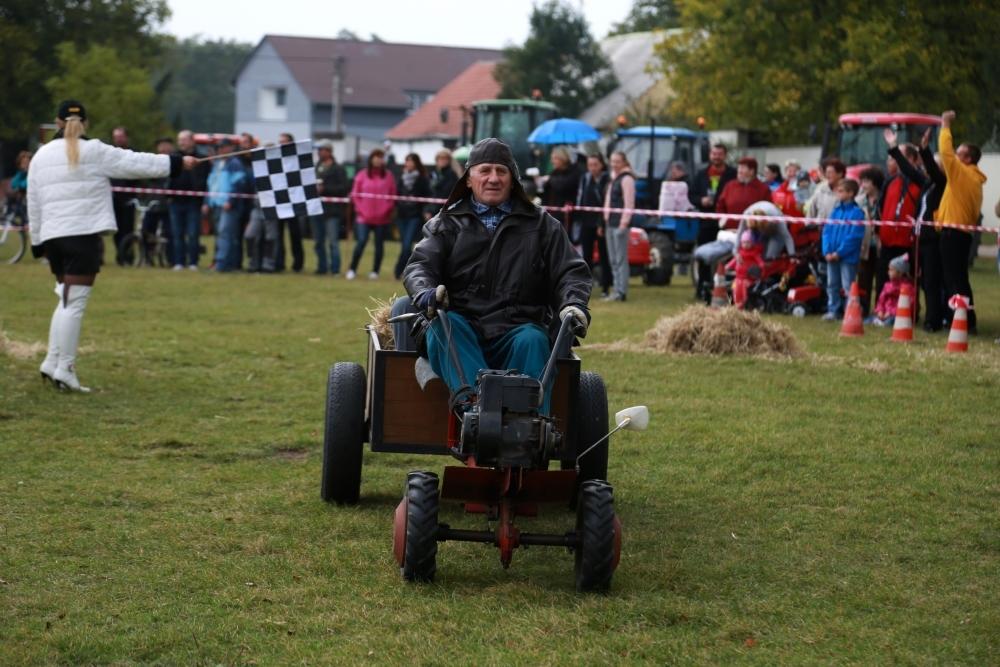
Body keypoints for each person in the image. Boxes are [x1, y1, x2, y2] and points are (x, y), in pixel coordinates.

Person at [401, 138, 591, 415]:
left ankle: (528, 422)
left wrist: (573, 303)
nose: (493, 178)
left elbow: (571, 271)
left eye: (502, 171)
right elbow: (420, 266)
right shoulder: (444, 224)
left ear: (513, 180)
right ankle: (474, 409)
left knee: (534, 340)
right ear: (468, 179)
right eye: (485, 170)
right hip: (462, 327)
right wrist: (426, 292)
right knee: (444, 325)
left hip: (517, 328)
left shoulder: (543, 225)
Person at [27, 100, 196, 392]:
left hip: (53, 238)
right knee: (73, 303)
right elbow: (135, 162)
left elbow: (33, 201)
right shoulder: (94, 150)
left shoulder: (40, 155)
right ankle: (65, 368)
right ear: (85, 123)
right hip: (81, 236)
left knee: (65, 299)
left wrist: (36, 242)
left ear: (57, 122)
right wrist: (177, 163)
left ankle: (52, 361)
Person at [934, 110, 986, 334]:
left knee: (953, 279)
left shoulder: (962, 174)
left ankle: (961, 320)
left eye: (959, 153)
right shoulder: (972, 178)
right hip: (959, 233)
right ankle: (966, 320)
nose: (955, 155)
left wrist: (945, 125)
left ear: (967, 159)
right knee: (960, 278)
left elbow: (945, 152)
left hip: (953, 233)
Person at [347, 148, 397, 280]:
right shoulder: (361, 175)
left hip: (382, 218)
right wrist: (361, 210)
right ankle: (352, 269)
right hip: (363, 217)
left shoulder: (389, 176)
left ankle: (375, 271)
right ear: (371, 159)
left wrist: (386, 209)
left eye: (381, 157)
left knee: (379, 245)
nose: (378, 160)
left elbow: (392, 195)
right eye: (376, 157)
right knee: (361, 242)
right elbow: (355, 195)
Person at [821, 178, 866, 320]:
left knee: (848, 286)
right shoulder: (835, 211)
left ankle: (850, 312)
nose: (838, 193)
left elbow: (854, 237)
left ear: (851, 193)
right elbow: (826, 232)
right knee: (832, 284)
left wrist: (839, 253)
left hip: (847, 257)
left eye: (841, 191)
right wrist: (827, 251)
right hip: (831, 255)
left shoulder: (857, 213)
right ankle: (833, 310)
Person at [205, 138, 248, 272]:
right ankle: (227, 263)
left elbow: (239, 183)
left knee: (225, 234)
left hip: (228, 205)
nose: (220, 150)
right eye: (219, 148)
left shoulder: (235, 163)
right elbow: (211, 183)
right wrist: (207, 201)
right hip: (216, 204)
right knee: (222, 235)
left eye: (223, 147)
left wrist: (230, 201)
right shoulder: (217, 163)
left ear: (231, 148)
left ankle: (222, 264)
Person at [577, 153, 612, 297]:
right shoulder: (585, 178)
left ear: (602, 165)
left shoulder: (607, 179)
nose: (592, 168)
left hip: (601, 222)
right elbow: (580, 198)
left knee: (604, 255)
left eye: (595, 165)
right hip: (586, 221)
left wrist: (601, 224)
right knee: (586, 256)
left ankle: (606, 287)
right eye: (590, 165)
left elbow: (606, 202)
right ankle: (585, 287)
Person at [603, 150, 636, 302]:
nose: (614, 164)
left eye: (617, 161)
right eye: (612, 161)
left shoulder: (627, 179)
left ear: (624, 162)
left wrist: (624, 223)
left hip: (620, 224)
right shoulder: (613, 178)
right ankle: (616, 289)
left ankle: (621, 291)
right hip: (610, 222)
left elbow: (629, 203)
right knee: (613, 259)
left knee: (621, 259)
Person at [312, 139, 349, 275]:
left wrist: (325, 189)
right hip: (317, 209)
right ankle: (322, 267)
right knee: (318, 241)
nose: (318, 152)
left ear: (329, 151)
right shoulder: (315, 167)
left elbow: (344, 188)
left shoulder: (338, 169)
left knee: (333, 242)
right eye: (318, 150)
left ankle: (335, 269)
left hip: (332, 211)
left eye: (321, 150)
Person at [689, 143, 737, 246]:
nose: (716, 157)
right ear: (710, 155)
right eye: (714, 154)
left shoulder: (733, 174)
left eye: (720, 154)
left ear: (725, 156)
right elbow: (691, 194)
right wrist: (701, 200)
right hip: (706, 222)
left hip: (727, 223)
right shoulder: (701, 174)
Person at [394, 153, 432, 279]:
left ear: (416, 163)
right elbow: (396, 194)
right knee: (405, 246)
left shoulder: (422, 178)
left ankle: (399, 270)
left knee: (407, 245)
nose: (409, 163)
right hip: (401, 215)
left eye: (411, 161)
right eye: (407, 161)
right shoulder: (401, 177)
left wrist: (426, 210)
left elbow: (428, 196)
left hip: (414, 216)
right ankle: (406, 271)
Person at [856, 166, 886, 316]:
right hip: (865, 246)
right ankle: (863, 309)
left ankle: (880, 310)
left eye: (866, 181)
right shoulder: (859, 201)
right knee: (863, 279)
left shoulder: (884, 199)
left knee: (881, 279)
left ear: (875, 182)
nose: (863, 185)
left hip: (881, 246)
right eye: (862, 181)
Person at [275, 132, 305, 272]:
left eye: (284, 142)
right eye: (280, 142)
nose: (281, 144)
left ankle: (298, 265)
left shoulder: (297, 159)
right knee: (278, 235)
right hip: (280, 202)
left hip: (294, 202)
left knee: (295, 235)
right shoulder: (275, 160)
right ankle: (279, 263)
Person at [716, 157, 772, 229]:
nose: (739, 171)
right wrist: (723, 221)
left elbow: (767, 211)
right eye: (739, 168)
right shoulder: (730, 186)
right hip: (730, 231)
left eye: (742, 168)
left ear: (751, 171)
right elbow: (720, 205)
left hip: (753, 232)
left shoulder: (763, 189)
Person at [542, 146, 581, 235]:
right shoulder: (554, 172)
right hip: (551, 213)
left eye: (555, 158)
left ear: (563, 159)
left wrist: (549, 179)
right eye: (552, 158)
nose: (552, 161)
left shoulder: (574, 172)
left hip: (566, 215)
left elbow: (562, 186)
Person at [109, 126, 133, 265]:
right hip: (113, 199)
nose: (118, 139)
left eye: (120, 137)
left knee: (128, 229)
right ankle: (120, 256)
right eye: (115, 137)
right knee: (116, 229)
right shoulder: (109, 154)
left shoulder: (133, 153)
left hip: (129, 199)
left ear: (126, 137)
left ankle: (129, 257)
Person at [869, 253, 914, 327]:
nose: (888, 272)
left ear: (900, 273)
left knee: (892, 320)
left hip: (897, 315)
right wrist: (880, 311)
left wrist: (891, 313)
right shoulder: (887, 285)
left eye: (891, 270)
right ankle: (878, 321)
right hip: (885, 313)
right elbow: (881, 300)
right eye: (889, 269)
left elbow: (908, 305)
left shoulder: (908, 288)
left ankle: (881, 323)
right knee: (869, 319)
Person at [726, 230, 764, 309]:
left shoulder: (754, 253)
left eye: (748, 242)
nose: (746, 244)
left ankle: (742, 303)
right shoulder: (740, 253)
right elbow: (734, 261)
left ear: (752, 243)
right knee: (733, 287)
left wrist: (761, 266)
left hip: (748, 278)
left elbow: (760, 262)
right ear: (741, 243)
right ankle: (733, 303)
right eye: (744, 242)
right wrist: (728, 266)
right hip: (738, 278)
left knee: (743, 288)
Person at [805, 157, 846, 221]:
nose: (827, 175)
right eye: (826, 172)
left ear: (840, 174)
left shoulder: (849, 190)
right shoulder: (820, 189)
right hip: (820, 227)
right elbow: (811, 212)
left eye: (830, 172)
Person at [426, 149, 459, 220]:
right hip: (433, 209)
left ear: (449, 160)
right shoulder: (433, 173)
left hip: (445, 210)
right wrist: (428, 210)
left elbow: (445, 192)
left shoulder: (451, 174)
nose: (442, 161)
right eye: (440, 158)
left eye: (445, 158)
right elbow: (429, 192)